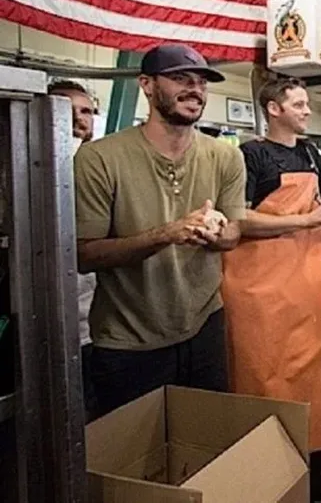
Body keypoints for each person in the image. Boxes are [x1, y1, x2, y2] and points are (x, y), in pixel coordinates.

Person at [74, 44, 245, 417]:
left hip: (204, 328)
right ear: (147, 85)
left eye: (201, 82)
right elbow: (84, 254)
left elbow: (234, 233)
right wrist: (166, 235)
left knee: (207, 434)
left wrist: (217, 236)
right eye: (180, 78)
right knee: (131, 448)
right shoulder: (99, 158)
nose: (194, 89)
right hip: (128, 341)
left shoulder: (226, 156)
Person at [223, 77, 321, 452]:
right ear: (274, 109)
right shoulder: (250, 155)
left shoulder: (311, 152)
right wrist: (305, 220)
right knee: (262, 369)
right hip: (259, 288)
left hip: (305, 282)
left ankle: (312, 445)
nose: (307, 111)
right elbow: (238, 219)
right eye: (299, 105)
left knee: (310, 365)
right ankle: (265, 456)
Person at [50, 80, 99, 420]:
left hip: (94, 325)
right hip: (50, 321)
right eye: (67, 111)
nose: (79, 119)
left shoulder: (101, 167)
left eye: (86, 111)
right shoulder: (31, 169)